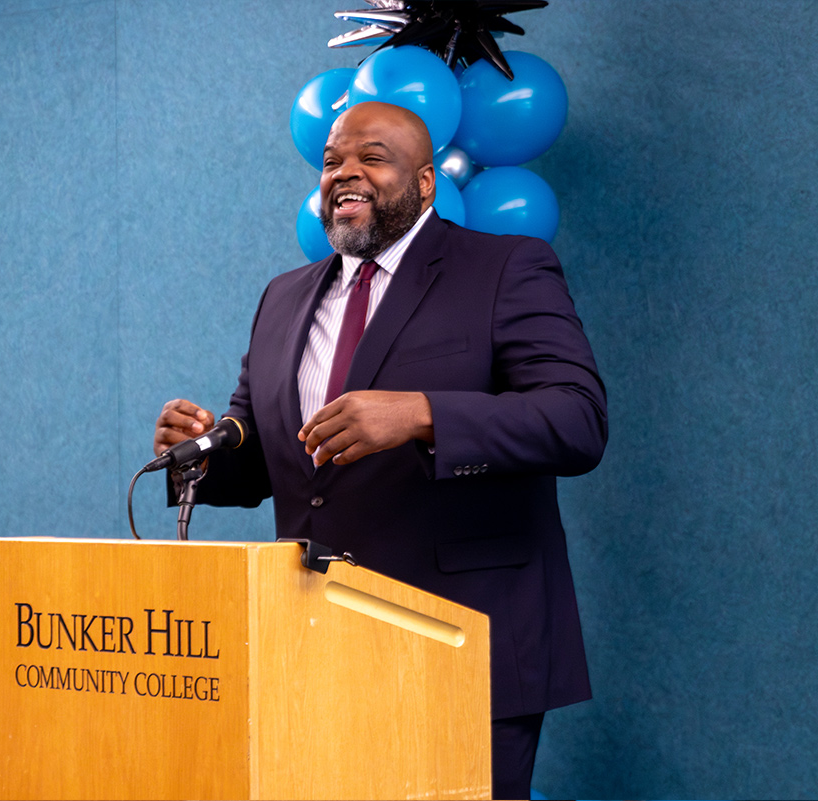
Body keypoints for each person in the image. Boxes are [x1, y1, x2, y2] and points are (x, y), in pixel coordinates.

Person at [154, 100, 607, 799]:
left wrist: (424, 415)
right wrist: (203, 452)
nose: (345, 171)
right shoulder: (283, 297)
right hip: (315, 649)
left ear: (425, 183)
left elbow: (577, 420)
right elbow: (272, 455)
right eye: (332, 160)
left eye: (372, 155)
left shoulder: (505, 268)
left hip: (463, 646)